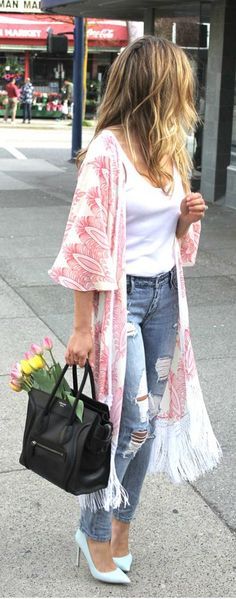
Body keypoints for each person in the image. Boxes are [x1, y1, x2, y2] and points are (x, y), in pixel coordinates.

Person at [49, 36, 222, 585]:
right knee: (132, 420)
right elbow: (85, 242)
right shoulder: (105, 153)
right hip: (120, 301)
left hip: (165, 298)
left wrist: (186, 219)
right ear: (153, 86)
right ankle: (94, 527)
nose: (186, 93)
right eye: (178, 82)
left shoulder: (171, 150)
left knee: (146, 426)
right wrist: (81, 326)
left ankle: (121, 524)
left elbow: (164, 236)